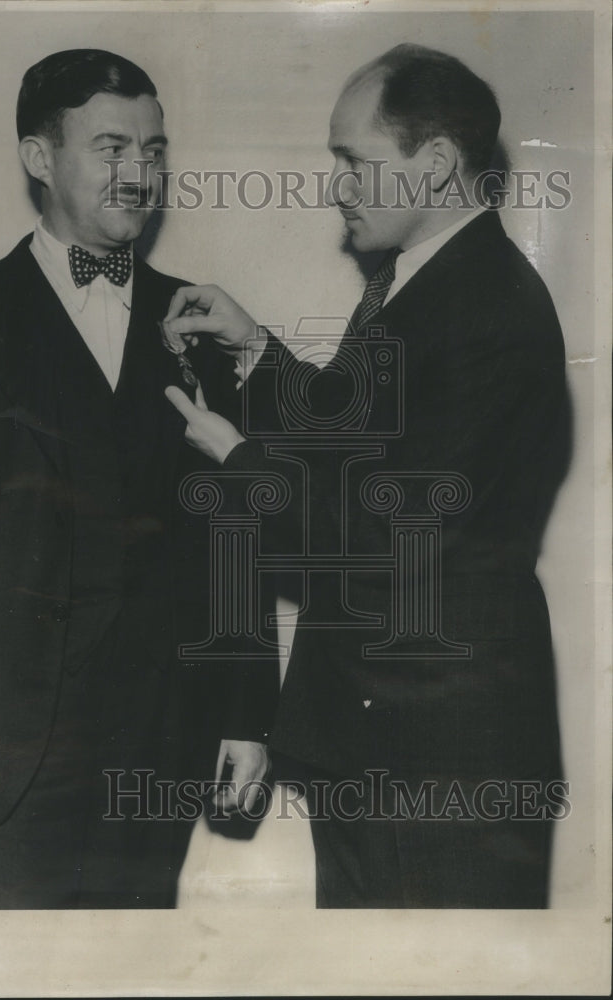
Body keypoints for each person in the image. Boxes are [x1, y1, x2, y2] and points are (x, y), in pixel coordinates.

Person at [0, 48, 277, 910]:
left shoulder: (205, 328)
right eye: (112, 148)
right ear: (38, 158)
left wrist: (246, 712)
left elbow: (233, 537)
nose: (140, 174)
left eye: (155, 151)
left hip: (156, 758)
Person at [164, 43, 571, 907]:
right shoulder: (431, 282)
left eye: (355, 160)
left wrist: (237, 460)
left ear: (434, 164)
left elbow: (388, 536)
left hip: (438, 762)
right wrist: (255, 347)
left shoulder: (490, 310)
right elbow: (367, 447)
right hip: (390, 743)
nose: (336, 185)